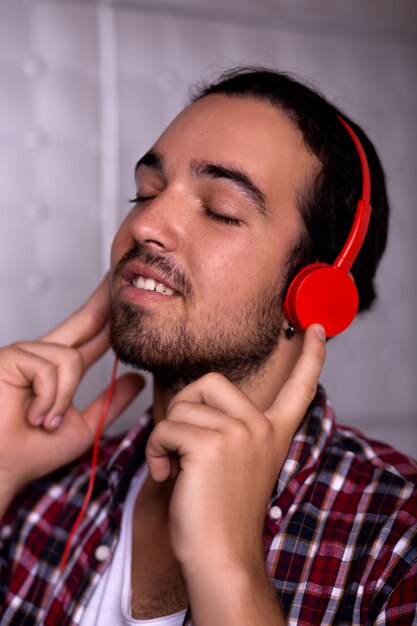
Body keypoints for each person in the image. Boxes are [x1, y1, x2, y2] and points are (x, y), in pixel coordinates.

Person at [0, 67, 416, 626]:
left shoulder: (398, 539)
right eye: (145, 192)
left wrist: (231, 571)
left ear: (316, 293)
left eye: (221, 209)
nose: (146, 223)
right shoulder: (41, 497)